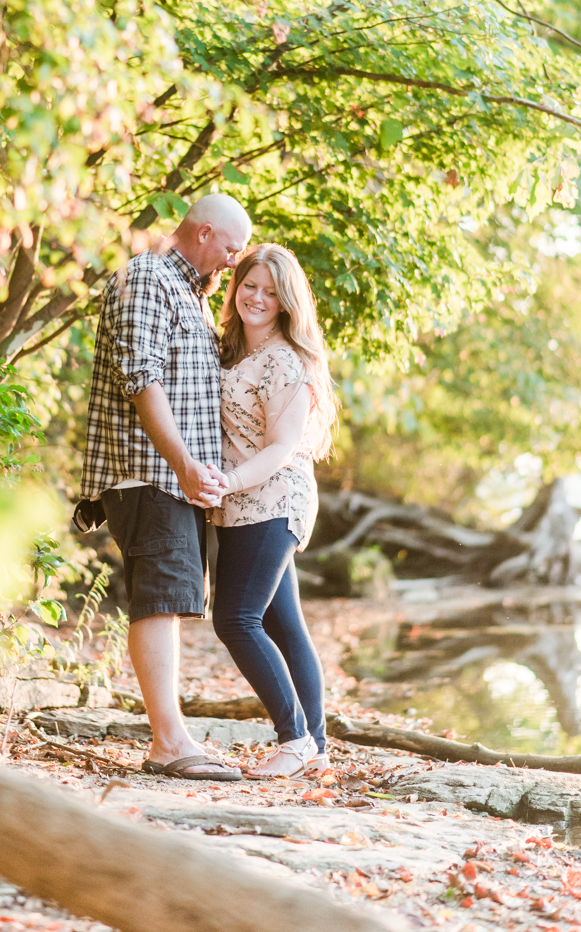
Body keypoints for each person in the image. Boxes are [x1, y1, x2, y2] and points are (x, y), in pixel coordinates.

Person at [80, 193, 252, 780]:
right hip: (148, 472)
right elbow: (141, 377)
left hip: (173, 479)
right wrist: (181, 464)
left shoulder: (192, 296)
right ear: (204, 234)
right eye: (231, 247)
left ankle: (172, 736)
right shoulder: (147, 277)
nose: (234, 261)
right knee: (160, 597)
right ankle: (169, 744)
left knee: (172, 598)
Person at [210, 243, 338, 779]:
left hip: (273, 498)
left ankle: (294, 739)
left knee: (235, 619)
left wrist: (229, 481)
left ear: (287, 301)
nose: (257, 298)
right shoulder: (236, 350)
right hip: (243, 503)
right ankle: (318, 747)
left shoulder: (285, 358)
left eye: (270, 291)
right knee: (284, 623)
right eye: (249, 286)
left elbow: (281, 447)